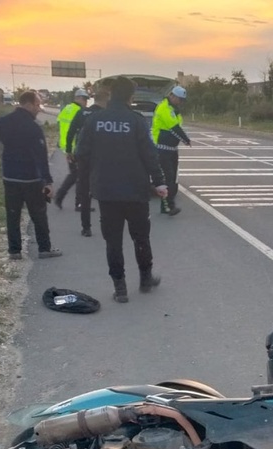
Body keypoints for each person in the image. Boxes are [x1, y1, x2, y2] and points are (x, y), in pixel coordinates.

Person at [76, 76, 169, 303]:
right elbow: (150, 154)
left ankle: (120, 288)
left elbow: (81, 154)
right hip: (136, 191)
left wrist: (91, 177)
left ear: (110, 94)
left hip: (106, 192)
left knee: (113, 241)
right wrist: (159, 182)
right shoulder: (136, 121)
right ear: (130, 97)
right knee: (141, 238)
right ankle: (145, 280)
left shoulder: (95, 120)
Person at [0, 90, 61, 260]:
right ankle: (44, 249)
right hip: (32, 179)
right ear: (28, 105)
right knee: (38, 215)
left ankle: (14, 251)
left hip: (10, 177)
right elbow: (41, 156)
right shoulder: (33, 127)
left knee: (12, 215)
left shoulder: (3, 122)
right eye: (37, 105)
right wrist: (47, 181)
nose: (39, 108)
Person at [65, 83, 108, 237]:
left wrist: (69, 150)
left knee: (85, 191)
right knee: (104, 191)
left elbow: (71, 132)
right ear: (106, 100)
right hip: (101, 158)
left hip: (83, 156)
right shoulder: (105, 116)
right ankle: (106, 224)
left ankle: (86, 227)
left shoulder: (82, 112)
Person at [150, 85, 192, 216]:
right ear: (172, 96)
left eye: (182, 100)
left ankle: (166, 206)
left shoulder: (174, 109)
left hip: (172, 149)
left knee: (172, 178)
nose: (180, 102)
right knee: (168, 178)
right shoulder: (164, 108)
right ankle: (169, 206)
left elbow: (176, 126)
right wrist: (186, 139)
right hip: (162, 148)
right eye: (179, 99)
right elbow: (174, 127)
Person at [53, 89, 91, 211]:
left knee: (77, 174)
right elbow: (77, 131)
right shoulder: (78, 111)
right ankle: (65, 198)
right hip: (75, 147)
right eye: (84, 99)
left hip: (67, 146)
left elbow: (59, 124)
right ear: (77, 98)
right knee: (78, 175)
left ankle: (76, 201)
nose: (85, 102)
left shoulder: (66, 108)